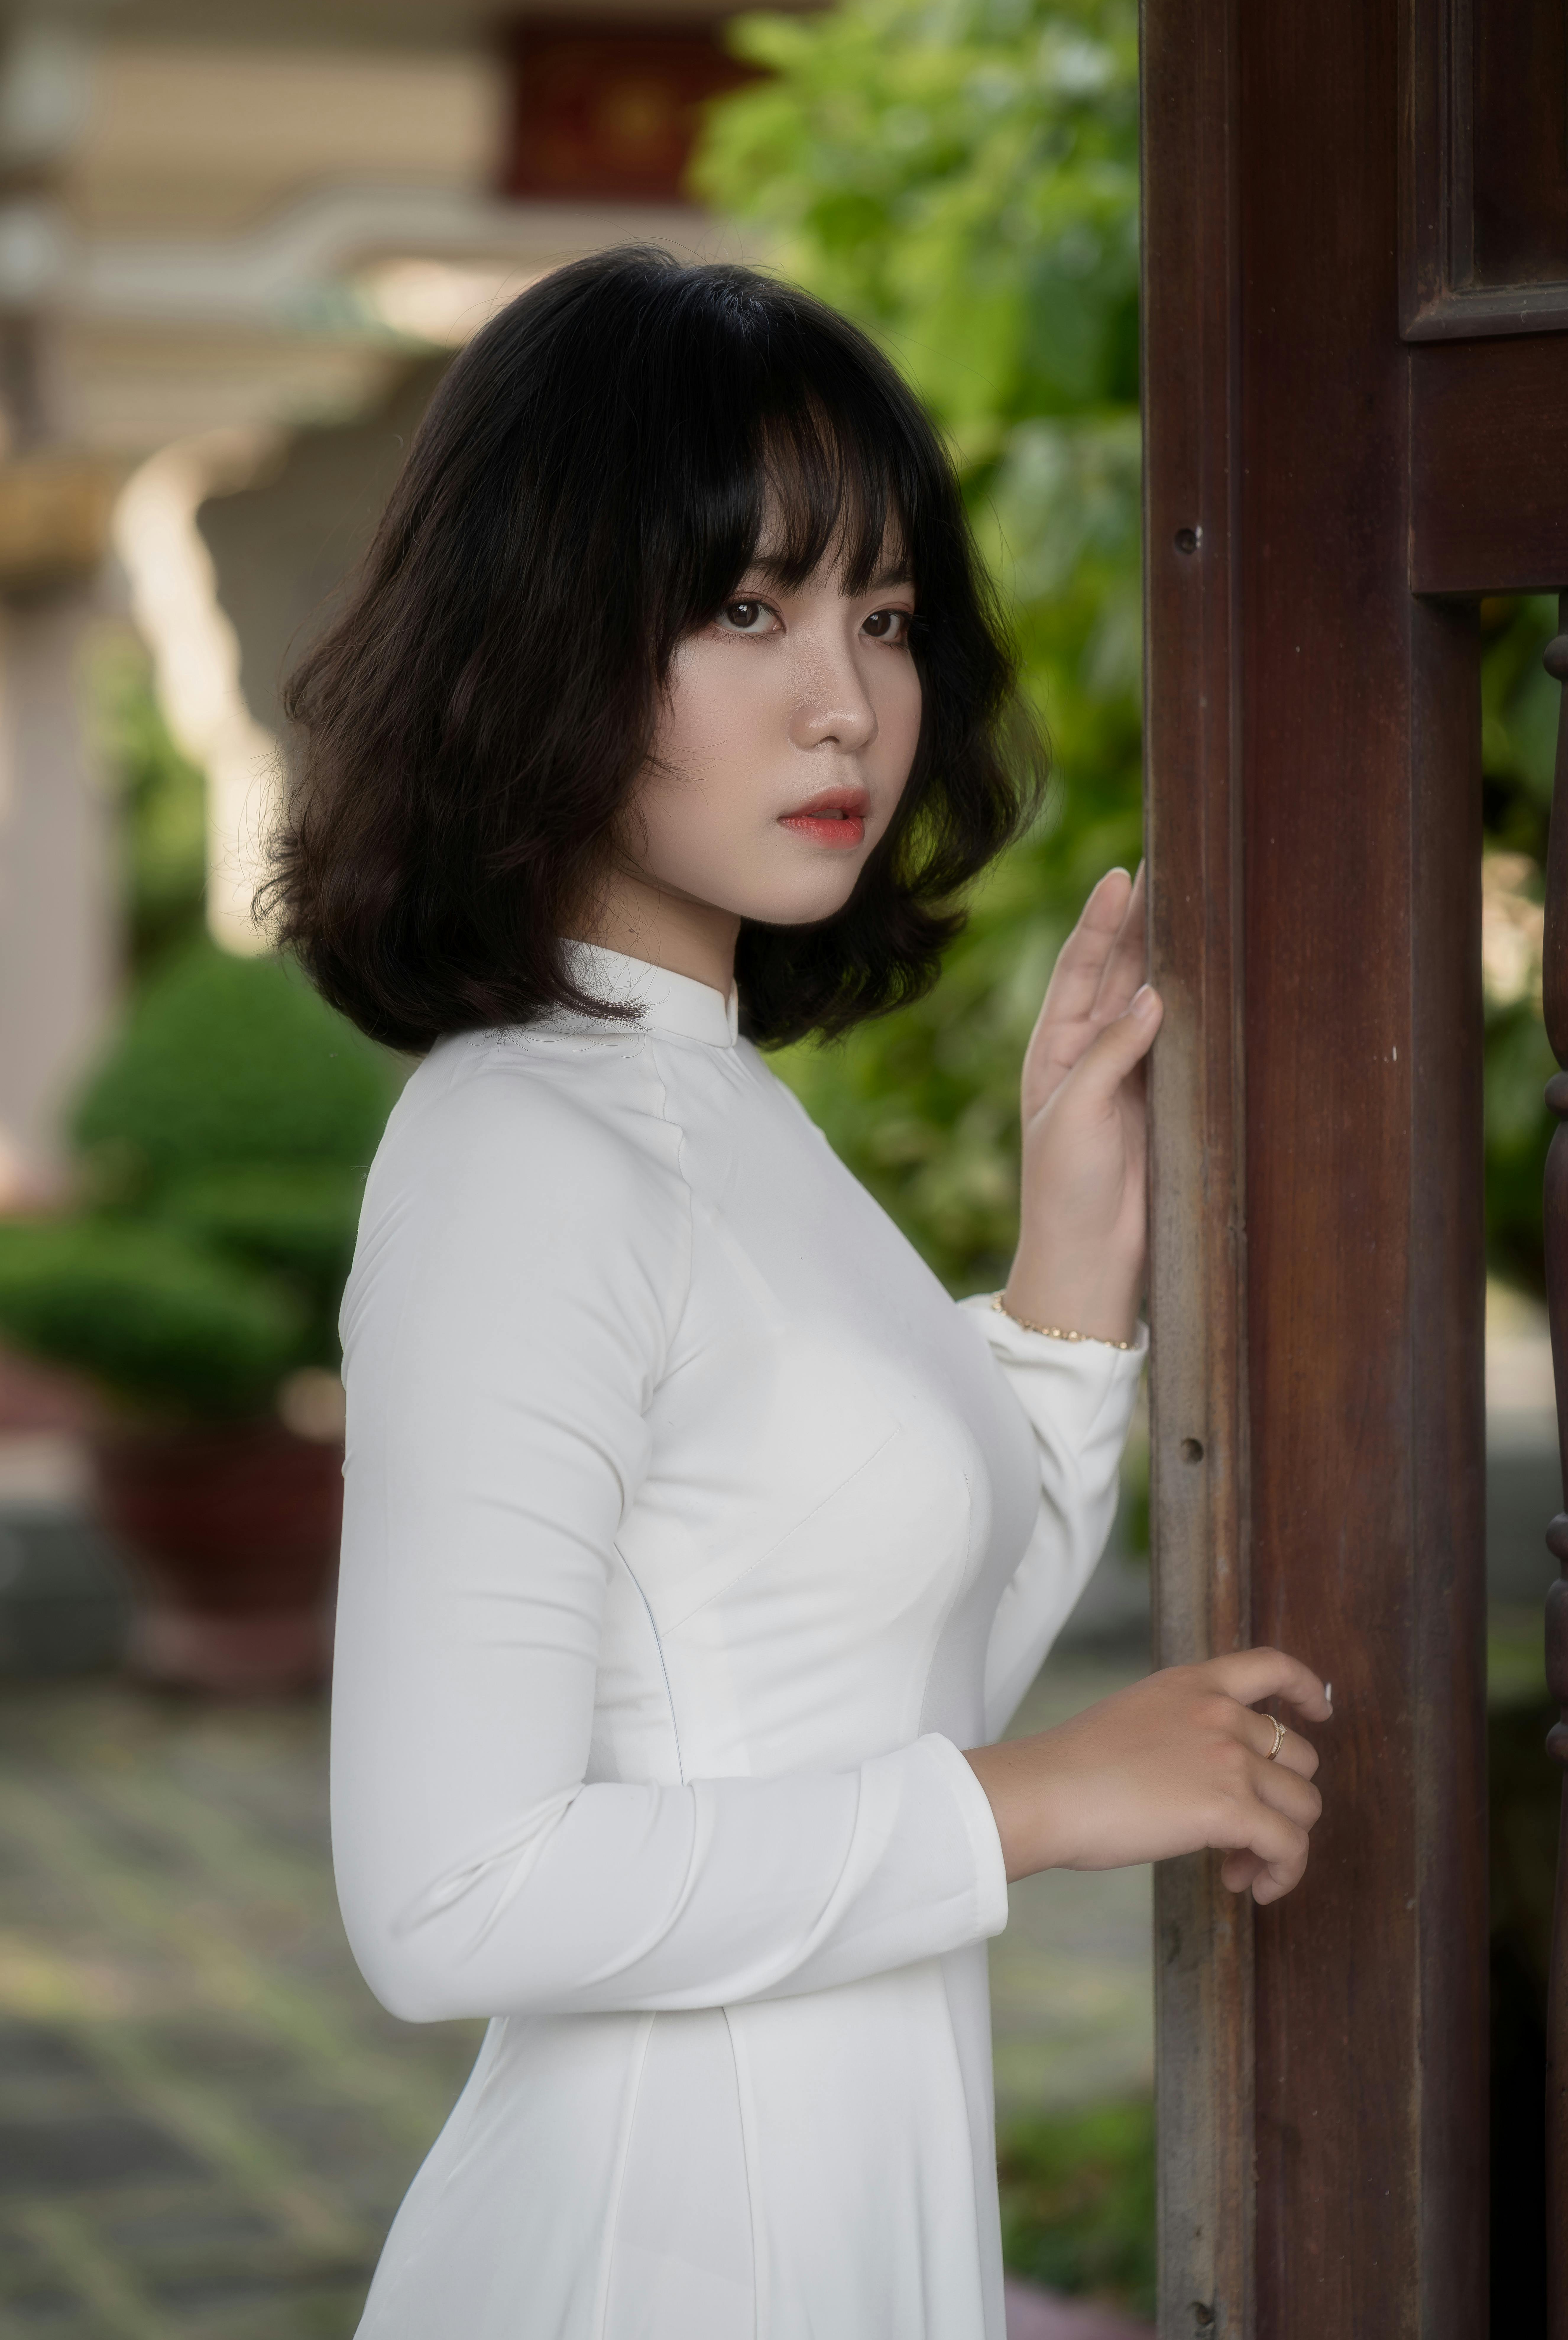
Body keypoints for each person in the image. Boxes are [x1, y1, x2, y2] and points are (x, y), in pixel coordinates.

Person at [269, 247, 1330, 2340]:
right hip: (651, 2257)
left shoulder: (714, 1109)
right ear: (546, 636)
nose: (843, 697)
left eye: (882, 616)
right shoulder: (522, 1148)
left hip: (839, 2222)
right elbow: (446, 1895)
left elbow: (888, 1672)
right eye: (745, 609)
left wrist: (1074, 1234)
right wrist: (1040, 1802)